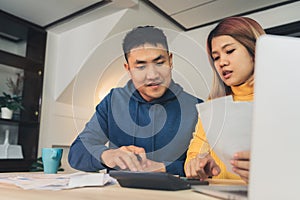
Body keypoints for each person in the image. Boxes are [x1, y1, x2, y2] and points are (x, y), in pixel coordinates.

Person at [68, 26, 203, 176]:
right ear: (128, 68)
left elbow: (206, 165)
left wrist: (165, 167)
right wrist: (107, 155)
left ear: (170, 61)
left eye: (159, 63)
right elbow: (76, 152)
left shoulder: (197, 108)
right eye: (141, 66)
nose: (152, 75)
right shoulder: (113, 101)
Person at [184, 17, 266, 183]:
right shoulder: (213, 106)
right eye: (216, 57)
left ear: (255, 51)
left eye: (229, 51)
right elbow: (193, 157)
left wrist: (271, 170)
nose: (222, 62)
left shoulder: (287, 97)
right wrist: (199, 165)